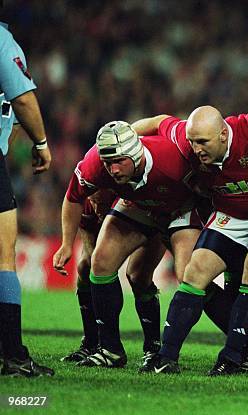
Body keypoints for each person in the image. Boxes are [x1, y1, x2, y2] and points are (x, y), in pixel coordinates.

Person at [131, 106, 248, 376]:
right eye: (192, 142)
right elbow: (159, 121)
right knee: (193, 273)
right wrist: (124, 134)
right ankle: (166, 357)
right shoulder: (186, 137)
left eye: (203, 142)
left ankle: (235, 357)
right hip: (229, 213)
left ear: (223, 135)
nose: (196, 149)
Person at [52, 121, 202, 368]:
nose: (112, 169)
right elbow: (73, 198)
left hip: (178, 210)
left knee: (148, 275)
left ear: (135, 152)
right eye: (107, 163)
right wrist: (67, 244)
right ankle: (109, 349)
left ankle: (156, 348)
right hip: (140, 206)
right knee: (100, 263)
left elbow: (163, 121)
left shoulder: (172, 156)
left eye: (119, 161)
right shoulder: (95, 166)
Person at [55, 190, 166, 367]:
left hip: (148, 222)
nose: (98, 207)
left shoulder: (131, 200)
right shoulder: (85, 206)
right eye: (93, 201)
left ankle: (153, 348)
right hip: (112, 230)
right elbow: (92, 256)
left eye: (102, 202)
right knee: (85, 267)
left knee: (138, 276)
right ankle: (92, 343)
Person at [0, 22, 53, 377]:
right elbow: (21, 96)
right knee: (3, 257)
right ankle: (12, 354)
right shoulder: (1, 39)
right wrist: (41, 142)